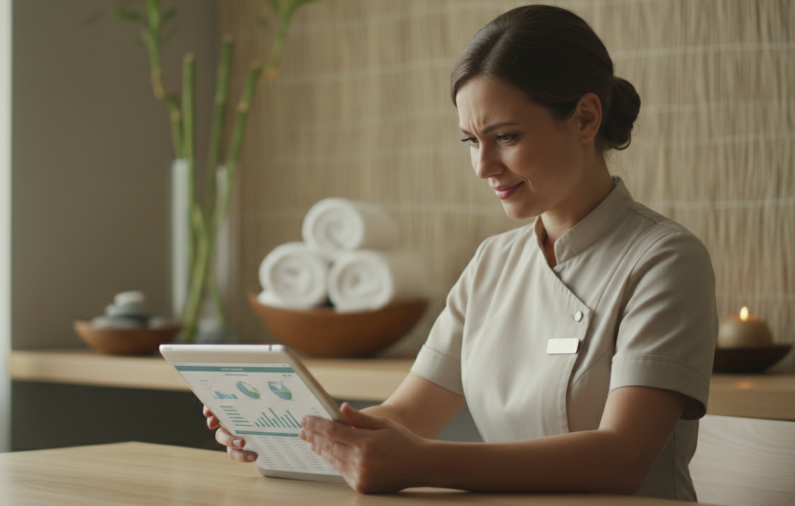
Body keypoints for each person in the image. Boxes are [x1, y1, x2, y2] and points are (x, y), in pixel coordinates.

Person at [204, 4, 717, 500]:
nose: (483, 167)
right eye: (471, 141)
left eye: (506, 137)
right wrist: (287, 429)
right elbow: (406, 416)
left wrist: (422, 463)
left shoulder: (664, 260)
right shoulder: (493, 262)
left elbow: (622, 459)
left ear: (585, 119)